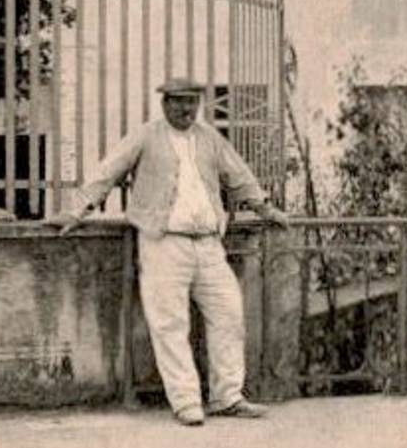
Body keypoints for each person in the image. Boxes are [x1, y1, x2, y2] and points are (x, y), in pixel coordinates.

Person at [54, 77, 290, 426]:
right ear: (164, 103)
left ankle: (227, 396)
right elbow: (109, 171)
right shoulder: (146, 136)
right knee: (170, 323)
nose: (186, 109)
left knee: (229, 315)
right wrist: (78, 210)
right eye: (178, 102)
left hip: (209, 244)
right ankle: (185, 402)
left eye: (192, 102)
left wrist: (266, 209)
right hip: (164, 242)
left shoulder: (210, 138)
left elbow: (238, 175)